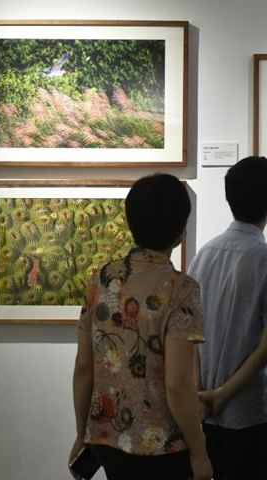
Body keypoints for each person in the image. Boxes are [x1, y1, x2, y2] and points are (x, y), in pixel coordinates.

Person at [69, 173, 212, 480]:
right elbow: (177, 384)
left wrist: (82, 434)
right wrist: (200, 452)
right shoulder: (180, 289)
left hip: (109, 441)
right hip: (163, 447)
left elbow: (83, 366)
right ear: (181, 228)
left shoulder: (100, 280)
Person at [188, 156, 267, 480]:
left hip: (205, 411)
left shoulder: (202, 256)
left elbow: (190, 334)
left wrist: (202, 393)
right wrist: (223, 395)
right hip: (252, 414)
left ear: (229, 198)